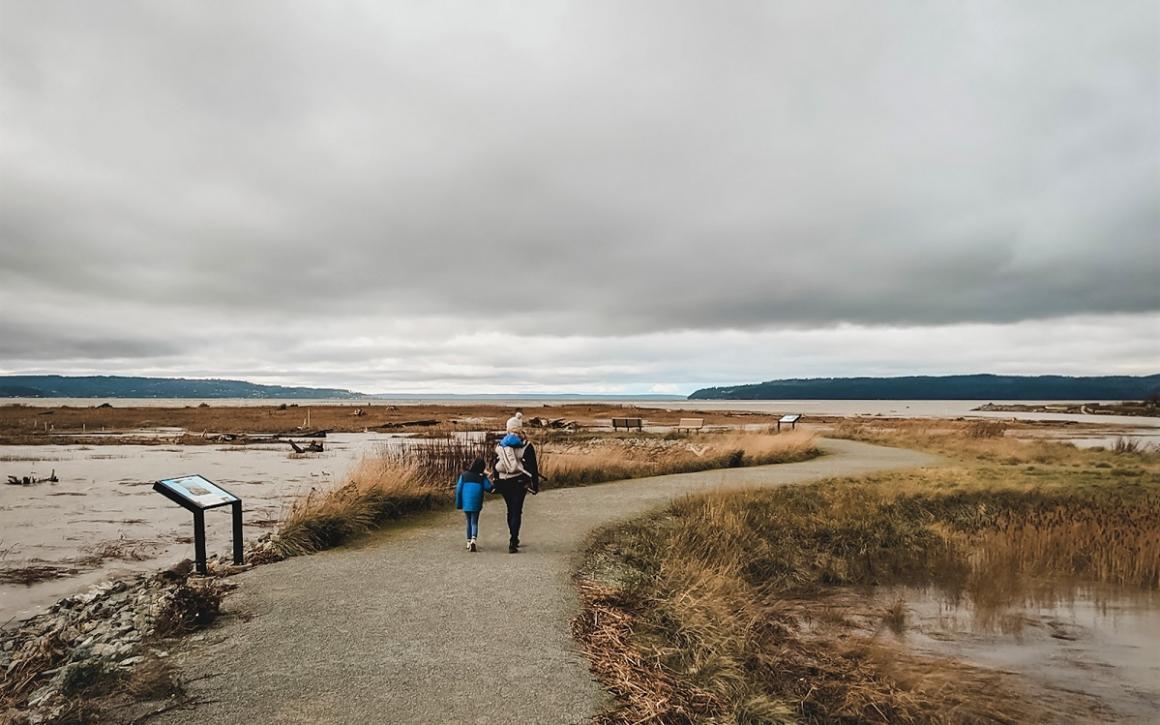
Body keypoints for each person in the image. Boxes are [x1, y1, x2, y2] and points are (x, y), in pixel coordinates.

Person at [491, 420, 540, 553]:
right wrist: (535, 485)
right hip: (520, 482)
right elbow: (533, 468)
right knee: (517, 510)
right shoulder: (527, 445)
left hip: (504, 481)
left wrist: (495, 481)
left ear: (508, 428)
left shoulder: (502, 444)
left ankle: (512, 537)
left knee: (509, 510)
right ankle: (514, 539)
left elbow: (494, 463)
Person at [454, 457, 492, 552]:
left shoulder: (464, 475)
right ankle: (474, 540)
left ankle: (468, 541)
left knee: (468, 521)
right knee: (474, 521)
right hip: (477, 501)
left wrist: (459, 503)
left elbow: (458, 490)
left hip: (466, 502)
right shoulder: (481, 477)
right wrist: (489, 476)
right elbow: (489, 487)